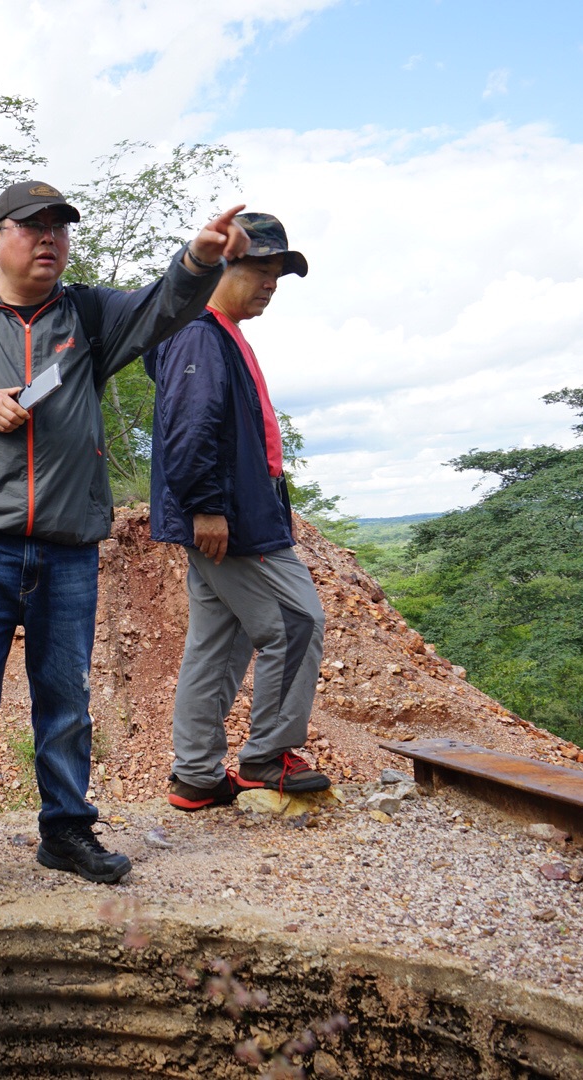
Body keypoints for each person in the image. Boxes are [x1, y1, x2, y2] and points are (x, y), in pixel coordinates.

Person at [0, 180, 248, 908]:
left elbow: (161, 309)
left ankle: (66, 832)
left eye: (60, 227)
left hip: (69, 546)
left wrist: (197, 260)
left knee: (65, 700)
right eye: (31, 226)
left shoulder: (88, 312)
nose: (49, 238)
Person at [142, 212, 330, 812]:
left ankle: (196, 775)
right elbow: (190, 426)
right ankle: (267, 758)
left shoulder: (215, 331)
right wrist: (206, 508)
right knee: (298, 622)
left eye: (279, 271)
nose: (272, 282)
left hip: (238, 516)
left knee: (218, 643)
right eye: (261, 268)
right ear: (223, 263)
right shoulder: (200, 331)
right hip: (234, 523)